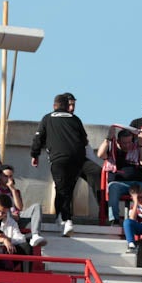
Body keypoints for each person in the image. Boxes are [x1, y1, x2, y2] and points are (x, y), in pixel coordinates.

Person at [31, 92, 99, 237]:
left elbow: (38, 138)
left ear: (54, 106)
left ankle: (64, 220)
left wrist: (34, 155)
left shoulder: (47, 118)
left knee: (62, 189)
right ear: (67, 106)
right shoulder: (75, 119)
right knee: (72, 186)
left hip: (59, 159)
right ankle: (66, 218)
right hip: (78, 159)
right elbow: (84, 140)